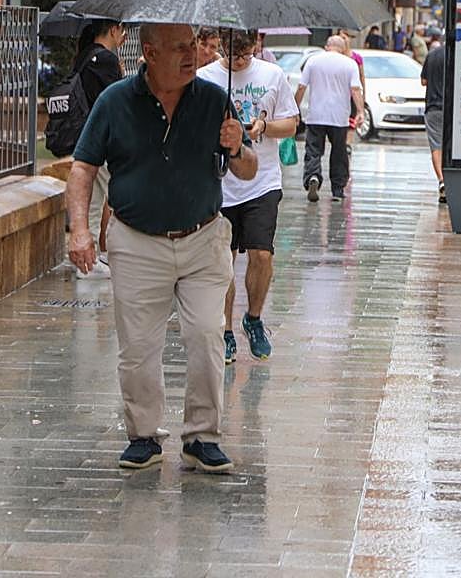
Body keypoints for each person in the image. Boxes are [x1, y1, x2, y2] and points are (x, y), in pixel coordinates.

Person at [66, 23, 257, 473]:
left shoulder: (214, 99)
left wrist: (237, 147)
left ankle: (203, 437)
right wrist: (80, 230)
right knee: (137, 347)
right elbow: (82, 168)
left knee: (208, 335)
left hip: (203, 239)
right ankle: (143, 435)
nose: (192, 55)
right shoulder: (114, 101)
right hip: (136, 242)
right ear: (149, 53)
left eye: (193, 46)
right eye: (179, 49)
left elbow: (248, 169)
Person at [198, 30, 299, 365]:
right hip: (220, 184)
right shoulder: (206, 78)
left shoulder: (272, 75)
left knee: (262, 255)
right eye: (232, 54)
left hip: (263, 182)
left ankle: (253, 318)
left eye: (245, 54)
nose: (239, 61)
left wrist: (264, 127)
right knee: (222, 261)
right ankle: (225, 331)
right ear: (221, 48)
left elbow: (293, 124)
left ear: (256, 46)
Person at [72, 19, 126, 279]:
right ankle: (91, 262)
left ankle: (89, 259)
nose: (123, 37)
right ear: (113, 30)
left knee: (92, 198)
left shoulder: (84, 55)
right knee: (103, 198)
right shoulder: (105, 59)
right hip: (103, 140)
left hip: (85, 136)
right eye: (122, 31)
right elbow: (118, 100)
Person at [295, 36, 364, 202]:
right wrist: (360, 111)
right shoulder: (349, 63)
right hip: (339, 116)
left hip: (316, 115)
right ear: (342, 48)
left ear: (327, 46)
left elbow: (301, 86)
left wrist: (294, 108)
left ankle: (313, 177)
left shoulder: (313, 61)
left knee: (313, 149)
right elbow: (355, 90)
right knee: (339, 152)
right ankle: (338, 189)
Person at [420, 41, 446, 203]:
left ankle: (442, 180)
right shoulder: (457, 55)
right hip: (452, 109)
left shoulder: (432, 55)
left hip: (433, 107)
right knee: (450, 146)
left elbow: (423, 81)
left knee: (436, 145)